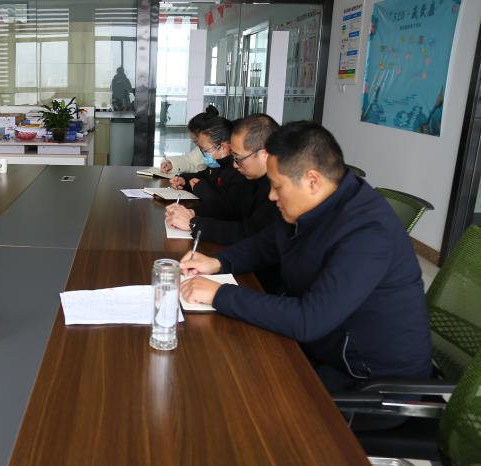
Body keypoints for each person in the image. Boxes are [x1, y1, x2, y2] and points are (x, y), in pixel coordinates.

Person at [178, 121, 431, 393]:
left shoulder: (368, 232)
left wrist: (219, 294)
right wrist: (218, 262)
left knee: (236, 387)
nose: (271, 196)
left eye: (278, 187)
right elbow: (268, 243)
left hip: (367, 379)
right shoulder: (319, 201)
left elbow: (308, 320)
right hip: (324, 347)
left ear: (312, 181)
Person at [165, 114, 280, 246]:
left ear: (264, 154)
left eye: (238, 158)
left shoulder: (277, 186)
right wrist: (192, 213)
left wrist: (194, 223)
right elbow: (231, 211)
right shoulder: (253, 178)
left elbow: (251, 233)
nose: (235, 165)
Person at [159, 105, 220, 174]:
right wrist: (171, 164)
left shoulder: (225, 155)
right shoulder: (202, 149)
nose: (196, 144)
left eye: (196, 141)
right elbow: (191, 161)